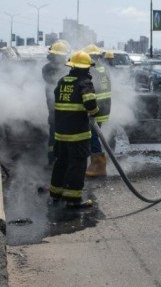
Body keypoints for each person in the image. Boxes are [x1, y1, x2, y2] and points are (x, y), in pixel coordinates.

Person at [49, 50, 99, 208]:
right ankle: (73, 199)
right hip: (78, 134)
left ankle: (56, 194)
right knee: (77, 164)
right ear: (86, 68)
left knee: (61, 163)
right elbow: (90, 105)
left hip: (60, 133)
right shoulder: (85, 82)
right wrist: (95, 112)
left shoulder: (62, 81)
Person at [82, 45, 112, 178]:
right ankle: (95, 164)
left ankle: (98, 166)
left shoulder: (92, 72)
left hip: (96, 109)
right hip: (105, 108)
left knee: (92, 135)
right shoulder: (105, 69)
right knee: (95, 134)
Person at [42, 40, 69, 166]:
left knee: (60, 134)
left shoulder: (66, 67)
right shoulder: (48, 69)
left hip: (64, 108)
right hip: (55, 108)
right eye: (62, 56)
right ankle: (53, 159)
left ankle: (59, 159)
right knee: (55, 134)